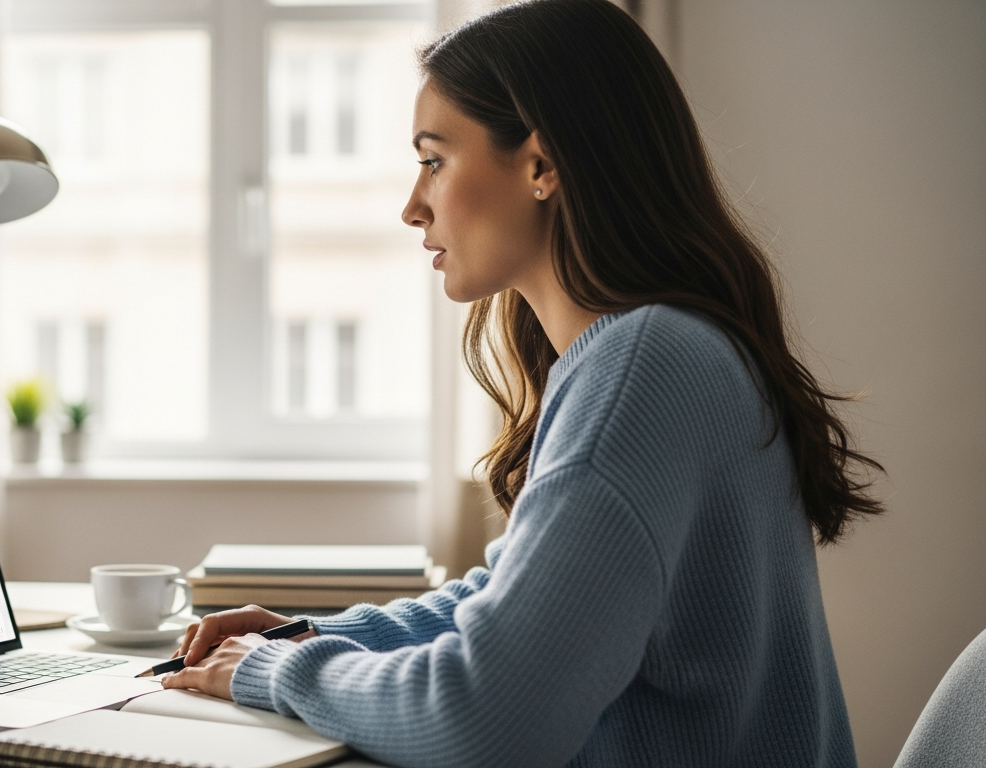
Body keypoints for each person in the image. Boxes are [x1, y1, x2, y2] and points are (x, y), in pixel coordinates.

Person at [162, 0, 881, 765]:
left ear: (541, 165)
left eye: (434, 160)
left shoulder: (645, 366)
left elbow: (488, 717)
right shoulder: (670, 347)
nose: (413, 206)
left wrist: (275, 669)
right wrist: (312, 635)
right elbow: (502, 606)